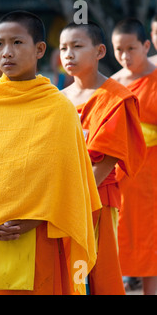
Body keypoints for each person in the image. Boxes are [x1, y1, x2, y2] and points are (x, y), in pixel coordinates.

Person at [0, 11, 100, 295]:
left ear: (39, 49)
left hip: (43, 229)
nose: (6, 52)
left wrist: (35, 219)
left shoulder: (58, 108)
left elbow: (68, 179)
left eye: (17, 42)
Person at [59, 21, 146, 295]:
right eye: (63, 48)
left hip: (95, 198)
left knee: (95, 271)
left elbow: (103, 164)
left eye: (77, 46)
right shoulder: (57, 100)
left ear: (99, 51)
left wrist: (70, 199)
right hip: (58, 199)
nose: (68, 54)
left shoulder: (116, 98)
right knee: (65, 272)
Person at [111, 17, 157, 295]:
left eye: (132, 49)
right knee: (122, 232)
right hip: (122, 170)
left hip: (153, 171)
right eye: (119, 50)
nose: (125, 57)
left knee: (150, 236)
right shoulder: (113, 84)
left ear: (146, 45)